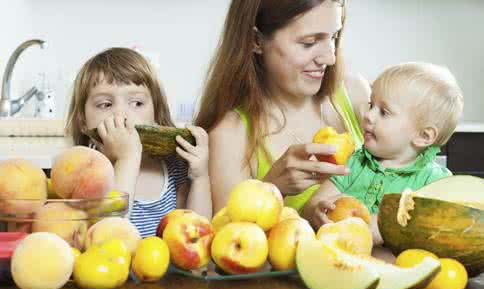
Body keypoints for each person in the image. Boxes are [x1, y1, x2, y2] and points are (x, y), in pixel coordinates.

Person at [194, 0, 371, 213]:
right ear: (256, 40)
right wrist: (272, 188)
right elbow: (229, 237)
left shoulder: (354, 94)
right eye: (309, 42)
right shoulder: (230, 134)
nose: (330, 58)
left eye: (333, 37)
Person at [303, 62, 464, 243]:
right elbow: (311, 205)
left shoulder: (435, 182)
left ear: (423, 136)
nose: (368, 115)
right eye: (371, 105)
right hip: (342, 260)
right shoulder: (355, 163)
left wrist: (380, 227)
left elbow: (440, 231)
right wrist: (316, 211)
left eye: (384, 112)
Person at [65, 47, 212, 237]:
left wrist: (200, 177)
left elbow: (198, 234)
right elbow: (108, 238)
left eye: (137, 103)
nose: (122, 115)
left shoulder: (174, 168)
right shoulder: (83, 175)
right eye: (105, 104)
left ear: (156, 114)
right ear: (82, 121)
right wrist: (127, 159)